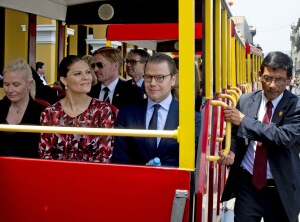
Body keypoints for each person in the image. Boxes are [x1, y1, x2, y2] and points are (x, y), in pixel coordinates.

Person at [219, 51, 300, 222]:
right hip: (248, 185)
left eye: (279, 80)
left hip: (281, 189)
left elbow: (282, 137)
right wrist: (231, 151)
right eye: (267, 78)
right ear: (259, 75)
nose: (272, 85)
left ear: (288, 80)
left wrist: (244, 121)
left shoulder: (295, 106)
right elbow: (235, 133)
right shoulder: (246, 100)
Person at [112, 53, 201, 167]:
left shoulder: (192, 118)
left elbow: (194, 164)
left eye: (160, 77)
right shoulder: (126, 114)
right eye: (148, 77)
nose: (153, 83)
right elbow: (119, 160)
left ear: (173, 79)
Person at [39, 55, 118, 162]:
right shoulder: (49, 113)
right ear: (64, 80)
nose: (86, 77)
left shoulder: (102, 110)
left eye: (88, 72)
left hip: (92, 176)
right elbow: (45, 154)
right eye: (78, 74)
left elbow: (105, 156)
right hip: (56, 175)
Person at [0, 58, 46, 158]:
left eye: (16, 85)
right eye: (6, 84)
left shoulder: (42, 112)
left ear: (29, 85)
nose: (10, 90)